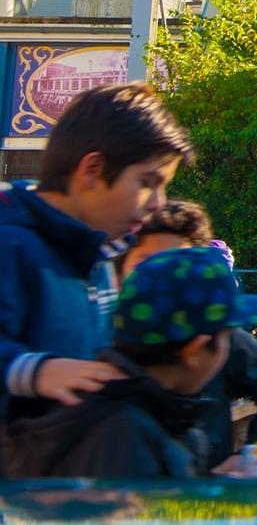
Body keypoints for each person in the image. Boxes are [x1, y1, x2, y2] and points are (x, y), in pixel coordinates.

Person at [0, 82, 192, 430]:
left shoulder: (99, 257)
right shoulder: (11, 246)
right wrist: (37, 371)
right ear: (92, 169)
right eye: (148, 182)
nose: (157, 203)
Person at [1, 245, 257, 480]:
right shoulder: (122, 437)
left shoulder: (137, 410)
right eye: (226, 337)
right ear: (194, 351)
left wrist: (211, 486)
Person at [127, 201, 257, 474]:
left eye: (178, 259)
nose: (162, 273)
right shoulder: (108, 333)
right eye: (147, 260)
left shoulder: (218, 332)